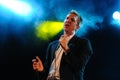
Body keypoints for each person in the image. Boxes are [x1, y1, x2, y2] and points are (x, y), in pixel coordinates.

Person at [32, 10, 93, 80]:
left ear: (77, 27)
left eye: (72, 20)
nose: (68, 21)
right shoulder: (52, 45)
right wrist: (41, 70)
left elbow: (79, 66)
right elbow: (46, 72)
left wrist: (66, 49)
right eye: (67, 18)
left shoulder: (83, 43)